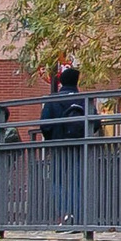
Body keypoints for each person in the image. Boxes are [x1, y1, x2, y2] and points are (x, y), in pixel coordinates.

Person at [37, 64, 90, 224]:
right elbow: (96, 123)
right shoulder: (85, 100)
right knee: (77, 181)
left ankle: (64, 213)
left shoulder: (54, 100)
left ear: (61, 81)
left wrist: (51, 139)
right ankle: (78, 217)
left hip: (58, 147)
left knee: (57, 182)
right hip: (80, 147)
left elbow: (44, 124)